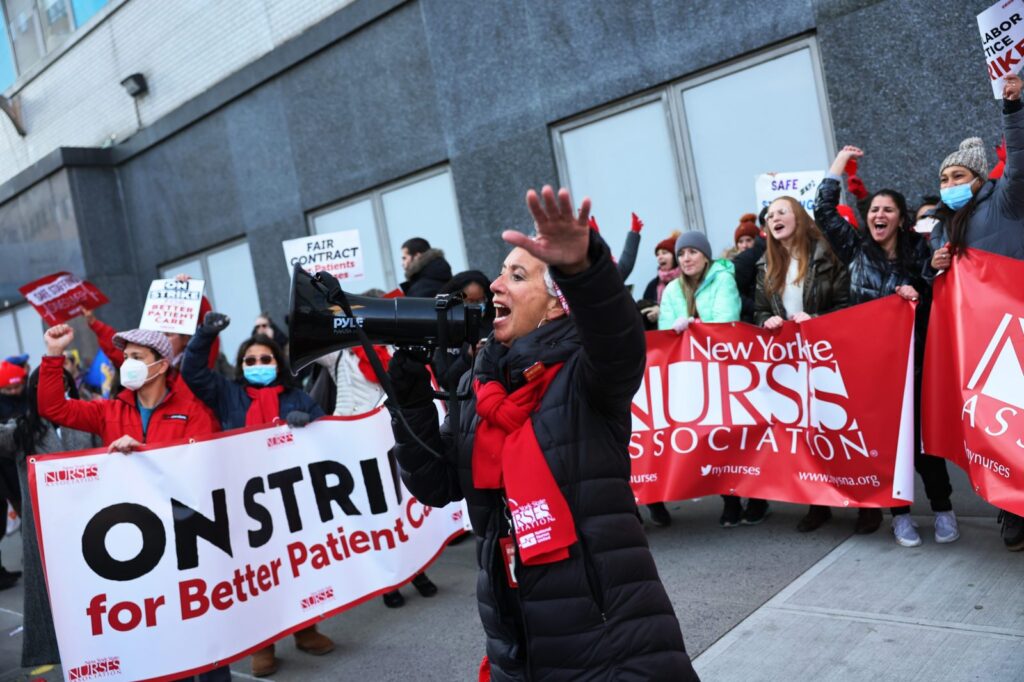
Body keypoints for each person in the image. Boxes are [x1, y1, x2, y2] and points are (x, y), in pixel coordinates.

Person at [387, 186, 698, 680]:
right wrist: (409, 399)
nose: (494, 286)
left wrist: (584, 270)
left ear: (555, 306)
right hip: (517, 639)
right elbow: (436, 482)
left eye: (517, 275)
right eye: (500, 273)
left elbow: (617, 337)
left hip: (609, 637)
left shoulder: (586, 373)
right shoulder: (478, 385)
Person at [817, 146, 957, 547]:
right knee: (890, 446)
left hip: (915, 363)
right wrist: (840, 162)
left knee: (925, 444)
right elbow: (823, 211)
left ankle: (944, 510)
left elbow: (935, 286)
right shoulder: (856, 250)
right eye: (874, 209)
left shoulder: (917, 250)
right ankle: (899, 516)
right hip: (874, 370)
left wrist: (921, 284)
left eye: (888, 210)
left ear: (900, 218)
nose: (879, 215)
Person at [180, 313, 333, 677]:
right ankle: (262, 645)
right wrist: (204, 334)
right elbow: (192, 372)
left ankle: (306, 630)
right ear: (241, 365)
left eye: (265, 359)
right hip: (245, 501)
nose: (258, 365)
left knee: (298, 566)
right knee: (256, 575)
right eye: (250, 360)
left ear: (277, 363)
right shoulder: (226, 393)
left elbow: (325, 432)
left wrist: (307, 420)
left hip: (291, 499)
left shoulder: (297, 395)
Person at [928, 73, 1024, 551]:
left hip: (1016, 330)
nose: (949, 185)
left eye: (957, 176)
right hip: (983, 350)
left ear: (978, 176)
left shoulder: (1005, 201)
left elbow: (1021, 164)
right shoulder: (943, 230)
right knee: (995, 428)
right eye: (944, 179)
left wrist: (1013, 110)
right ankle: (1010, 512)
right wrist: (935, 268)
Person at [754, 196, 852, 533]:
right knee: (810, 434)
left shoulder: (827, 256)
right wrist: (767, 319)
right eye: (769, 215)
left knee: (843, 433)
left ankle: (867, 505)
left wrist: (817, 321)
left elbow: (847, 306)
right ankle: (819, 502)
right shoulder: (765, 266)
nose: (774, 217)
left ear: (798, 216)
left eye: (782, 211)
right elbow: (759, 309)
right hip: (794, 363)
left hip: (830, 356)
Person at [656, 231, 766, 528]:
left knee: (738, 435)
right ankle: (729, 499)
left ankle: (757, 498)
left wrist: (694, 325)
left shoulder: (723, 279)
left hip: (727, 370)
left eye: (692, 252)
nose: (686, 258)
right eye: (682, 254)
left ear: (706, 255)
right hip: (693, 375)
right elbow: (666, 330)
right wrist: (677, 329)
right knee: (710, 440)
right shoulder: (672, 291)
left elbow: (725, 320)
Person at [0, 368, 100, 668]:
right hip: (48, 534)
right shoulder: (22, 429)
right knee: (60, 604)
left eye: (61, 385)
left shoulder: (89, 419)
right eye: (46, 386)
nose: (55, 392)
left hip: (93, 523)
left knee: (96, 597)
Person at [639, 234, 681, 329]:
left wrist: (661, 311)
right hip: (661, 336)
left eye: (665, 253)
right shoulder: (653, 285)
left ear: (675, 256)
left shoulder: (687, 281)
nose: (660, 257)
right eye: (658, 254)